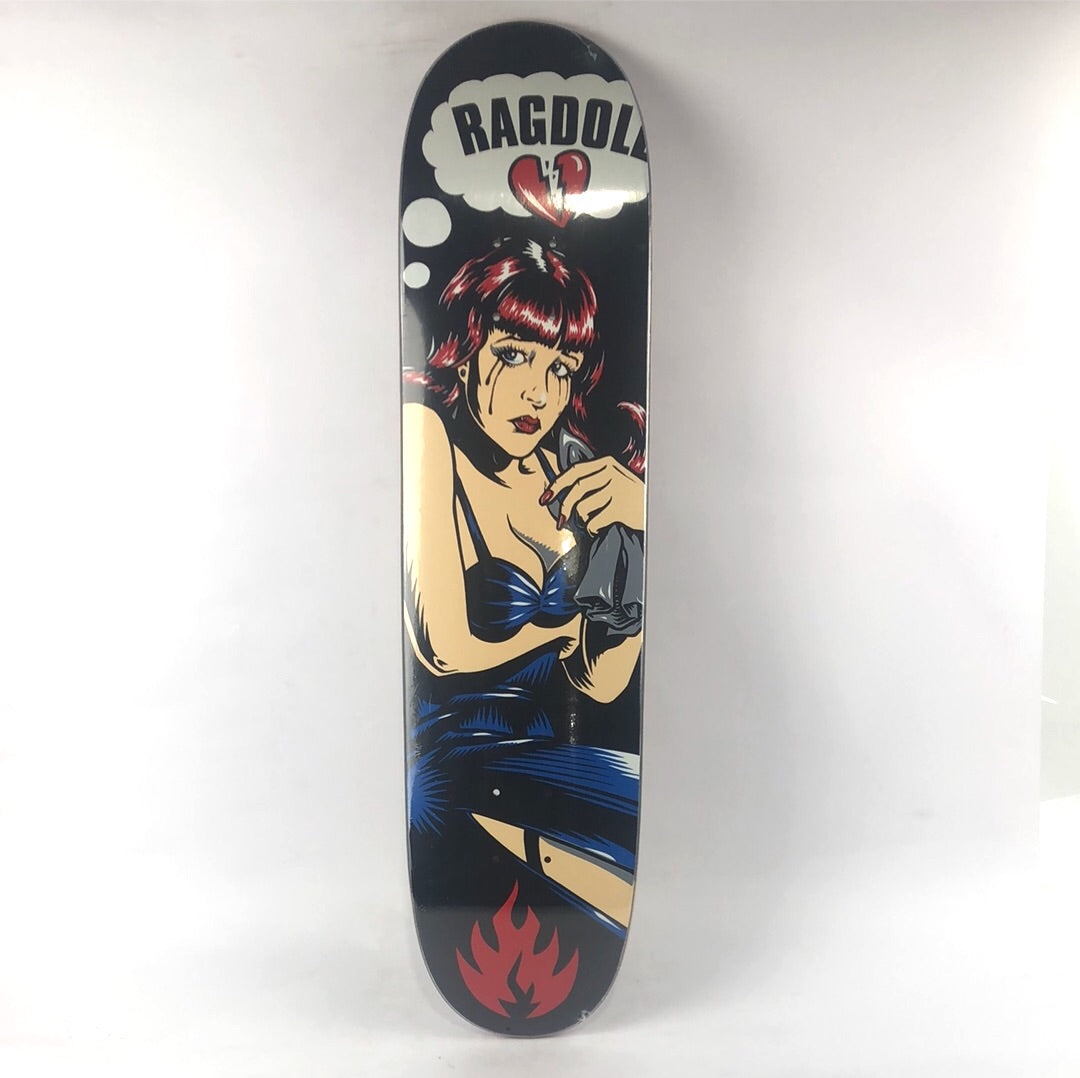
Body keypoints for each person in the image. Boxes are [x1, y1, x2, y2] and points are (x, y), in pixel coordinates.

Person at [403, 237, 644, 935]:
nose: (539, 392)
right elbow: (445, 648)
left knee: (624, 812)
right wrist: (567, 629)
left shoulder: (569, 468)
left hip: (553, 759)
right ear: (466, 351)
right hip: (458, 766)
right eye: (513, 355)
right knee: (612, 816)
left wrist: (634, 532)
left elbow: (600, 681)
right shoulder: (427, 434)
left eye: (561, 368)